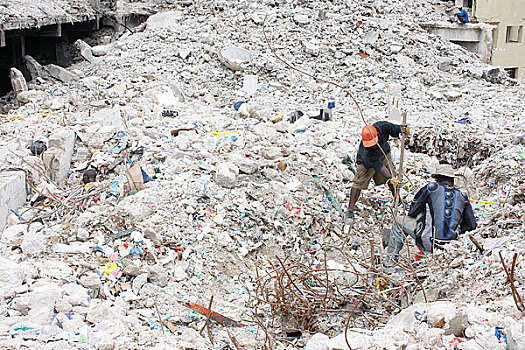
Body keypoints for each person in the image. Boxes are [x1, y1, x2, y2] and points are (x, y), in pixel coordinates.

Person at [383, 164, 477, 266]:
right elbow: (471, 225)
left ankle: (389, 262)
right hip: (451, 246)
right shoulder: (462, 196)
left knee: (398, 221)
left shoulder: (431, 188)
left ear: (437, 178)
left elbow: (412, 212)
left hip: (430, 243)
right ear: (452, 179)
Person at [345, 119, 409, 223]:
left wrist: (403, 129)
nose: (373, 145)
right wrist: (391, 178)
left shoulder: (383, 126)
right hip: (367, 162)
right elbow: (379, 167)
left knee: (392, 174)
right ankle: (350, 210)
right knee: (359, 182)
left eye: (373, 143)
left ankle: (397, 200)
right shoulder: (367, 151)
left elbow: (395, 129)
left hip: (384, 152)